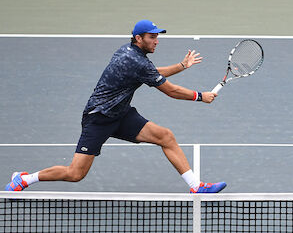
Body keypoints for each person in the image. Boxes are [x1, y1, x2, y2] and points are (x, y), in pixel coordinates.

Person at [5, 20, 226, 193]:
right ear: (139, 38)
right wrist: (200, 96)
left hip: (120, 115)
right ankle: (25, 178)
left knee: (165, 136)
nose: (156, 41)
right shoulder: (136, 61)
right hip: (99, 118)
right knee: (75, 173)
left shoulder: (129, 52)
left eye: (157, 37)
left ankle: (196, 185)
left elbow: (150, 73)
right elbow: (171, 91)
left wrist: (181, 66)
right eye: (152, 37)